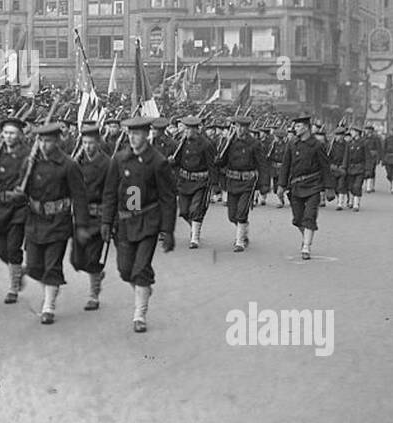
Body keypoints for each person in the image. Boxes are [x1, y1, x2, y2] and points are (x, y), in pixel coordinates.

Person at [100, 115, 175, 333]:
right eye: (130, 133)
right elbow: (110, 193)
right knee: (125, 270)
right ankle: (143, 289)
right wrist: (106, 221)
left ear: (147, 135)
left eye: (138, 134)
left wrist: (167, 230)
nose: (133, 138)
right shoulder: (119, 159)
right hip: (124, 222)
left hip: (148, 222)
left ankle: (139, 314)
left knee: (141, 268)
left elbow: (168, 197)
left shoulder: (158, 162)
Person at [22, 122, 90, 325]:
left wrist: (82, 225)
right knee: (34, 266)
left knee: (52, 265)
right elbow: (22, 190)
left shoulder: (68, 165)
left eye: (49, 140)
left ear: (58, 141)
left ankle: (49, 305)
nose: (44, 145)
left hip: (58, 222)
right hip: (35, 220)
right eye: (41, 140)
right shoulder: (31, 163)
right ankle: (48, 294)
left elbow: (79, 197)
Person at [0, 115, 29, 304]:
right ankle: (17, 271)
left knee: (12, 248)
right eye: (6, 133)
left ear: (19, 135)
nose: (9, 137)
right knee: (1, 252)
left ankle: (13, 288)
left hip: (18, 208)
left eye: (12, 133)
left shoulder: (27, 155)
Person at [278, 113, 335, 260]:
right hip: (296, 186)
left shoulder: (317, 145)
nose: (295, 129)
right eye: (295, 126)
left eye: (297, 126)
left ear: (306, 128)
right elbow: (285, 166)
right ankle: (306, 237)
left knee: (309, 217)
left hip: (313, 186)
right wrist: (281, 185)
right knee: (298, 219)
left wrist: (329, 188)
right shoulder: (292, 144)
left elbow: (325, 167)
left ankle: (306, 246)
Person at [70, 121, 111, 310]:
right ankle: (96, 273)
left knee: (93, 258)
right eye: (85, 143)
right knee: (77, 261)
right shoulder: (76, 162)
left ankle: (93, 295)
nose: (88, 146)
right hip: (80, 218)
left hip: (98, 218)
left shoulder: (107, 164)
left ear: (98, 143)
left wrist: (112, 221)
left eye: (91, 143)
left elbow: (113, 193)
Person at [215, 115, 268, 252]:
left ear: (247, 128)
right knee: (232, 215)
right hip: (232, 181)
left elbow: (262, 164)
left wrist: (264, 184)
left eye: (242, 127)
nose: (239, 129)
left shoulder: (254, 144)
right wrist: (218, 160)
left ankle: (240, 241)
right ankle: (243, 229)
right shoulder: (230, 143)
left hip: (248, 182)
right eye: (237, 126)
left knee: (242, 211)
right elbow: (223, 161)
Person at [171, 115, 216, 249]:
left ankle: (195, 238)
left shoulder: (206, 144)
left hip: (200, 182)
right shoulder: (182, 142)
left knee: (196, 209)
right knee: (184, 211)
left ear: (196, 130)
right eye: (185, 129)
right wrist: (171, 162)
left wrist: (214, 184)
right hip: (185, 181)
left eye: (188, 130)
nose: (186, 132)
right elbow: (177, 160)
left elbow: (211, 165)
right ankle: (194, 227)